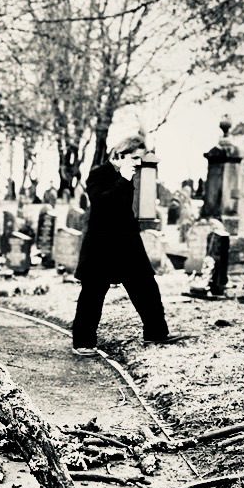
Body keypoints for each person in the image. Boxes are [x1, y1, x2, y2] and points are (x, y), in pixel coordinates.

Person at [72, 134, 179, 354]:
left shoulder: (132, 176)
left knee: (146, 287)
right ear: (120, 155)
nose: (138, 163)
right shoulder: (97, 174)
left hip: (126, 242)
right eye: (135, 158)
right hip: (101, 244)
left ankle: (156, 333)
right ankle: (83, 341)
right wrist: (122, 179)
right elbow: (102, 204)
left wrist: (126, 179)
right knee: (93, 293)